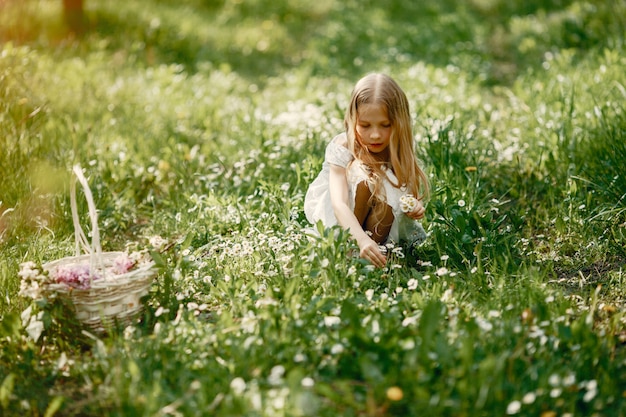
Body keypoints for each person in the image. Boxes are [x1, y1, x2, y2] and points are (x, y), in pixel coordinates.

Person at [304, 73, 429, 267]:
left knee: (385, 188)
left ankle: (374, 257)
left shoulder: (396, 146)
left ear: (399, 123)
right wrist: (361, 238)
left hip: (380, 223)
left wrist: (413, 206)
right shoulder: (344, 146)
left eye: (385, 125)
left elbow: (403, 192)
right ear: (353, 120)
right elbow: (339, 204)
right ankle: (349, 251)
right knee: (364, 178)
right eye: (365, 125)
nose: (376, 134)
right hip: (343, 221)